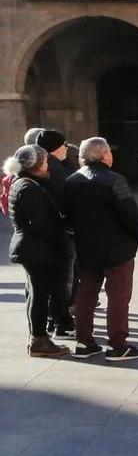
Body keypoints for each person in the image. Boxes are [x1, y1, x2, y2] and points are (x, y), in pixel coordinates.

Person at [63, 137, 138, 361]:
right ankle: (118, 345)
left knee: (86, 292)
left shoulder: (71, 180)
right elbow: (130, 214)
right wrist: (137, 234)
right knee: (118, 295)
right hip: (116, 248)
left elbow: (66, 214)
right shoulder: (114, 180)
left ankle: (84, 342)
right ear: (104, 155)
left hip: (86, 246)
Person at [5, 145, 71, 357]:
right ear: (35, 165)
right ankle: (39, 340)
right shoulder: (29, 187)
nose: (47, 164)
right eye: (44, 161)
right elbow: (41, 223)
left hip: (32, 247)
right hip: (37, 249)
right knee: (40, 295)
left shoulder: (25, 183)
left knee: (36, 293)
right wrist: (60, 231)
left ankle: (38, 336)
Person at [33, 129, 76, 337]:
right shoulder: (56, 170)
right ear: (56, 148)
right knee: (62, 280)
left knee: (49, 282)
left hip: (42, 236)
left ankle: (51, 321)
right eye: (64, 145)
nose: (67, 148)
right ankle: (61, 321)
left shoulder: (43, 167)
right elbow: (67, 200)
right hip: (59, 234)